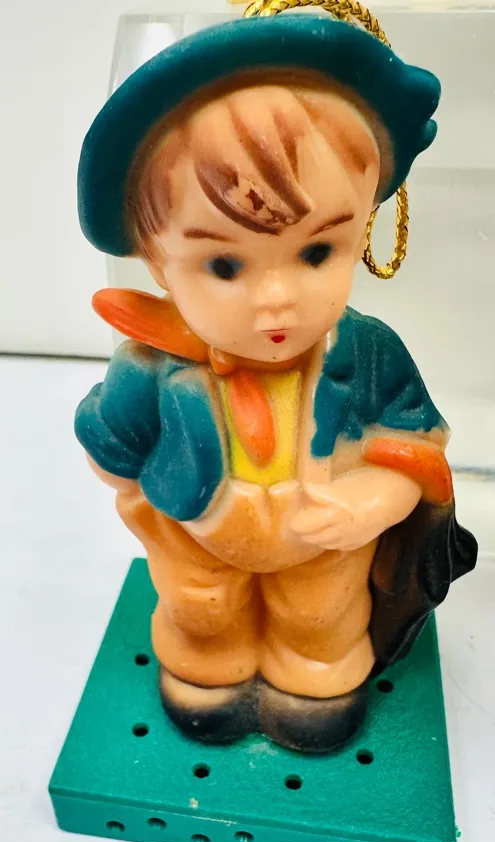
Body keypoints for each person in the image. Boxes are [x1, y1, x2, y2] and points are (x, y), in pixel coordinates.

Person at [75, 14, 477, 753]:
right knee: (202, 612)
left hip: (321, 542)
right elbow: (111, 450)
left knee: (320, 616)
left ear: (361, 229)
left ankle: (312, 677)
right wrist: (157, 507)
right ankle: (207, 667)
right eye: (225, 265)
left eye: (317, 252)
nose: (277, 301)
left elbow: (415, 449)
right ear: (157, 263)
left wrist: (368, 503)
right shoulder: (149, 366)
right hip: (200, 534)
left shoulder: (368, 353)